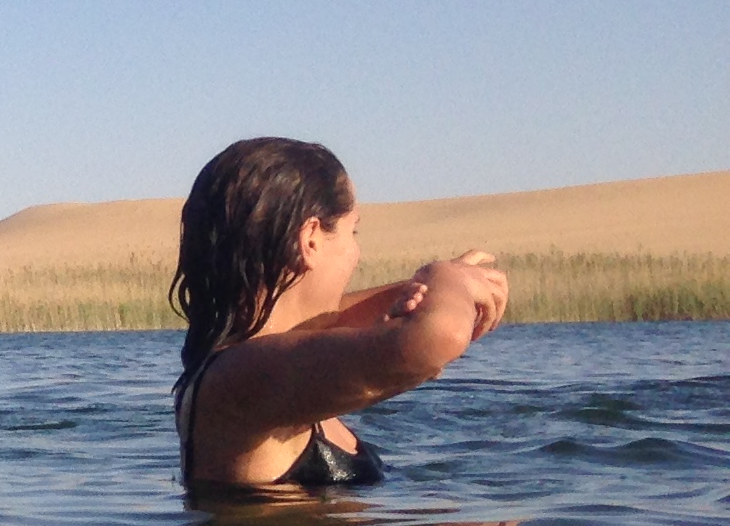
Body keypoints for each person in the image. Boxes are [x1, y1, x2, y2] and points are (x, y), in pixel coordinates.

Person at [170, 138, 509, 489]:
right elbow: (439, 336)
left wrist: (433, 286)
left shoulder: (249, 363)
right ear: (311, 240)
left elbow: (329, 322)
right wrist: (445, 278)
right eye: (353, 230)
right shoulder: (242, 377)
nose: (356, 250)